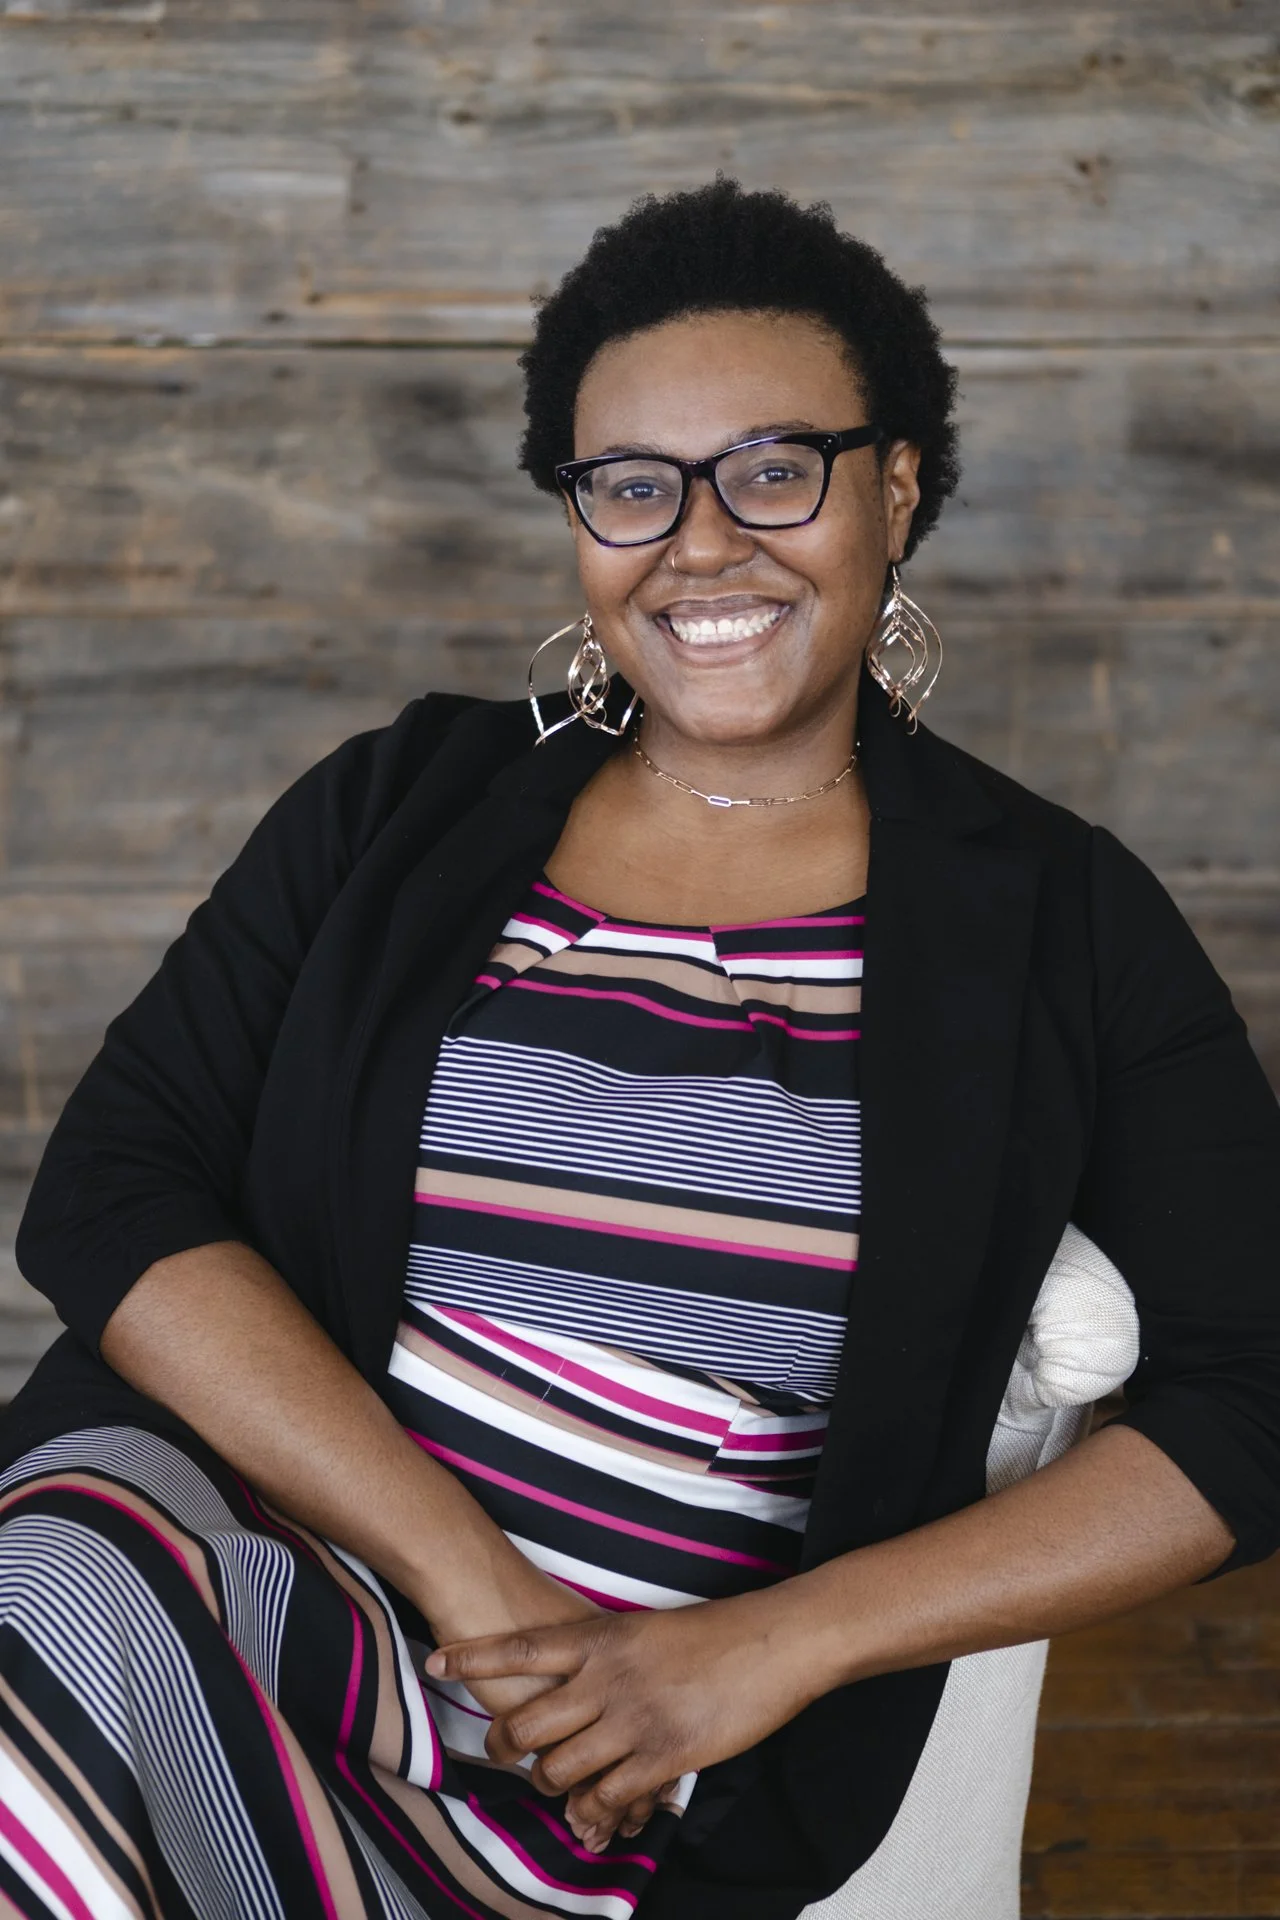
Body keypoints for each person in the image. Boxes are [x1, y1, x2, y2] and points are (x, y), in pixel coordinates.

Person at [1, 179, 1277, 1920]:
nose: (699, 544)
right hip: (246, 1566)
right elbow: (112, 1192)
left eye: (773, 471)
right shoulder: (405, 802)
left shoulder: (1062, 916)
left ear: (894, 491)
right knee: (47, 1626)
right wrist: (476, 1589)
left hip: (637, 1747)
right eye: (631, 487)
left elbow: (1257, 1398)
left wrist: (768, 1651)